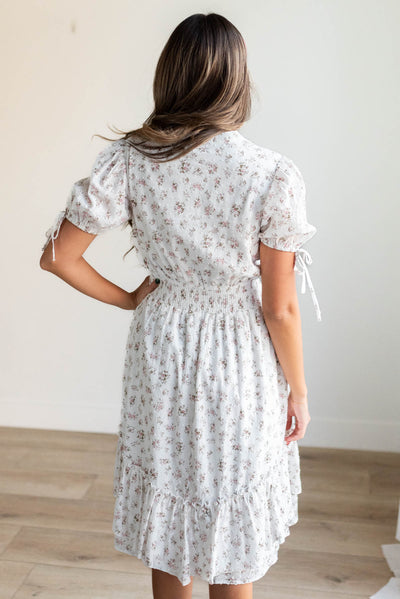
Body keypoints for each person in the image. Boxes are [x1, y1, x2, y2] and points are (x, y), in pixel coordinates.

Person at [39, 12, 322, 599]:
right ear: (237, 81)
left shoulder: (133, 160)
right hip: (239, 352)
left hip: (163, 341)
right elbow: (280, 310)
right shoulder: (270, 175)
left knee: (170, 501)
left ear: (171, 77)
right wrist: (297, 389)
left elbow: (58, 257)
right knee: (229, 514)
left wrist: (129, 299)